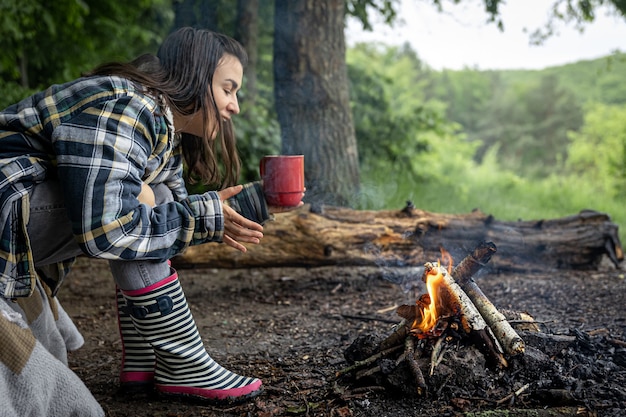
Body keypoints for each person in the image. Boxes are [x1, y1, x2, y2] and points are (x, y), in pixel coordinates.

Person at [0, 26, 302, 412]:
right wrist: (196, 215)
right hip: (7, 205)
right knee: (145, 201)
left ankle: (144, 361)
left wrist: (259, 202)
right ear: (195, 76)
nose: (235, 106)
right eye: (228, 89)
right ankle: (184, 364)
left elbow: (173, 221)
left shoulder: (161, 125)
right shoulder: (128, 105)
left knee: (152, 198)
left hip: (20, 212)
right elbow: (108, 230)